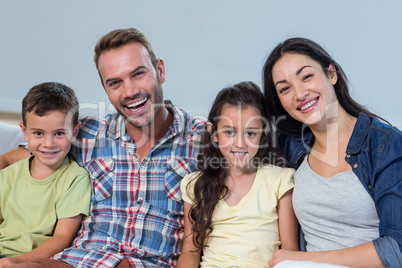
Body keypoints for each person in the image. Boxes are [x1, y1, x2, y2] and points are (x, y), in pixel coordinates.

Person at [2, 28, 204, 268]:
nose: (130, 92)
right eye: (115, 83)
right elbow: (15, 158)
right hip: (77, 261)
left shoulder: (205, 139)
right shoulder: (85, 134)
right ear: (105, 88)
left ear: (159, 70)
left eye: (138, 74)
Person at [262, 38, 402, 268]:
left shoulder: (385, 144)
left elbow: (396, 249)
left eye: (306, 76)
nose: (299, 93)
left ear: (331, 74)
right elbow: (237, 141)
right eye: (285, 89)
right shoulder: (291, 145)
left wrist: (300, 258)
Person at [176, 81, 299, 268]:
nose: (240, 144)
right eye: (229, 132)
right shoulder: (195, 184)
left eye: (250, 133)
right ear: (214, 133)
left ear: (263, 135)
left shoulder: (280, 181)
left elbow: (290, 252)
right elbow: (189, 252)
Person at [0, 82, 91, 267]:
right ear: (25, 132)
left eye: (59, 133)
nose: (48, 143)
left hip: (33, 260)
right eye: (38, 133)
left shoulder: (75, 178)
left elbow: (61, 238)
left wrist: (17, 260)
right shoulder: (8, 175)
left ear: (74, 132)